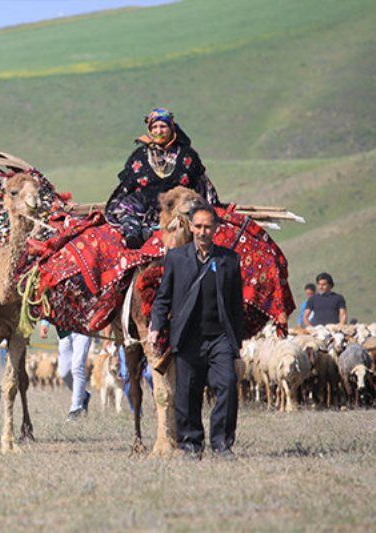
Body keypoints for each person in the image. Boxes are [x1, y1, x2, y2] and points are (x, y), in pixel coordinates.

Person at [148, 203, 243, 460]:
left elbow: (236, 306)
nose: (202, 231)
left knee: (227, 385)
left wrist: (237, 344)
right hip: (188, 337)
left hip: (219, 338)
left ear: (216, 228)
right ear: (190, 227)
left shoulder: (229, 261)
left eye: (207, 226)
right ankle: (191, 445)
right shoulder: (176, 258)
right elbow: (162, 299)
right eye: (198, 226)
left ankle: (222, 445)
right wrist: (156, 327)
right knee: (187, 393)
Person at [105, 107, 220, 249]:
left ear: (172, 128)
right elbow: (126, 187)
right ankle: (134, 236)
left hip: (177, 208)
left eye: (163, 126)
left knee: (189, 213)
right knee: (127, 209)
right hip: (145, 210)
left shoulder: (187, 155)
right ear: (150, 129)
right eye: (154, 127)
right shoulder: (139, 156)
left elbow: (202, 184)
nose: (158, 131)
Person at [57, 332, 92, 420]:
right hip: (64, 331)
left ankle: (75, 409)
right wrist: (45, 324)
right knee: (63, 372)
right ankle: (83, 395)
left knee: (77, 368)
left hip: (83, 329)